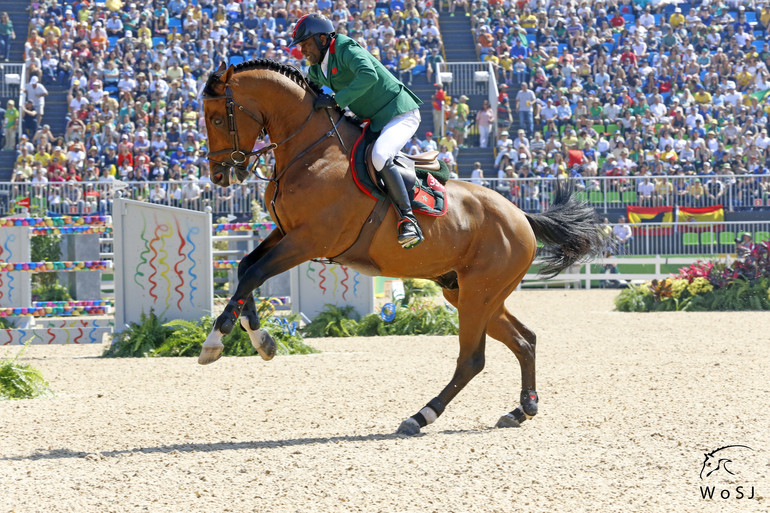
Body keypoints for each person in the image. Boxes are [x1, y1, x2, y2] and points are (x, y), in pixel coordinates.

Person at [292, 13, 424, 249]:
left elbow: (368, 75)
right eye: (301, 46)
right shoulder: (316, 70)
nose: (302, 51)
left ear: (323, 39)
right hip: (373, 121)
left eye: (306, 44)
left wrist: (336, 100)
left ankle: (408, 220)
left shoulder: (345, 48)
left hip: (399, 113)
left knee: (380, 155)